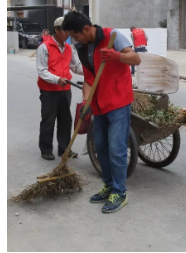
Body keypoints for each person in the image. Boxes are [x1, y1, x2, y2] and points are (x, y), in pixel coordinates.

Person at [62, 11, 141, 213]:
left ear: (87, 29)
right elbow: (89, 79)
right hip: (98, 105)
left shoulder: (112, 36)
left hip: (118, 102)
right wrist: (86, 101)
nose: (74, 39)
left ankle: (120, 192)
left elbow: (135, 59)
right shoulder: (81, 47)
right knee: (101, 147)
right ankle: (108, 185)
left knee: (116, 148)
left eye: (76, 35)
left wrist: (116, 55)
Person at [36, 17, 83, 160]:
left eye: (69, 31)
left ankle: (64, 149)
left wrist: (90, 72)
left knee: (65, 120)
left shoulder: (69, 48)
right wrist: (57, 79)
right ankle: (46, 149)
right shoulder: (44, 47)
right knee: (48, 120)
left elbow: (76, 67)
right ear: (56, 30)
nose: (68, 34)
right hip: (49, 90)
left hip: (65, 89)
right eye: (65, 31)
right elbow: (42, 71)